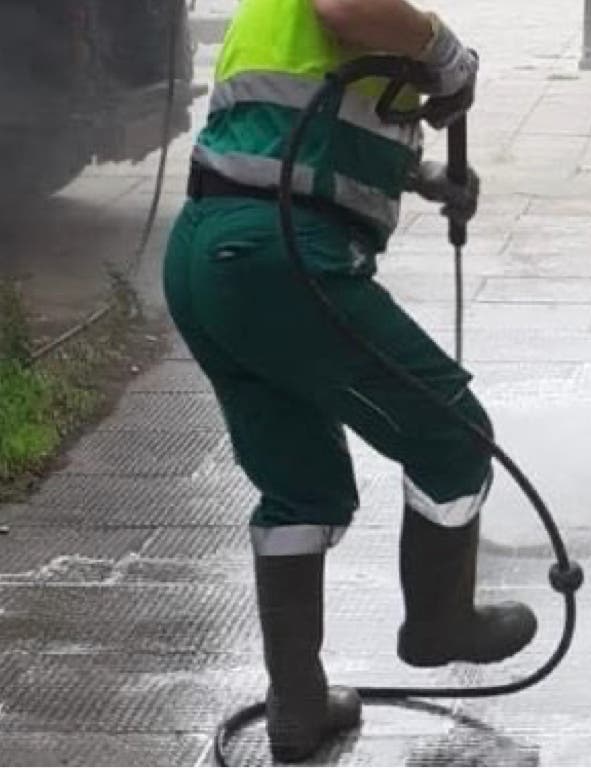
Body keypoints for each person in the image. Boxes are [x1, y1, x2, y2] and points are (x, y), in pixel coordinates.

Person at [163, 0, 537, 761]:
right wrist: (443, 47)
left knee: (301, 490)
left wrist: (421, 174)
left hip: (209, 255)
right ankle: (440, 624)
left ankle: (298, 706)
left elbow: (298, 119)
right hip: (280, 256)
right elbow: (348, 8)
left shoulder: (274, 19)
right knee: (450, 434)